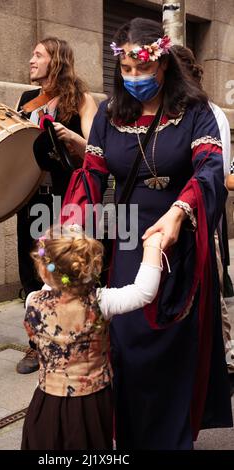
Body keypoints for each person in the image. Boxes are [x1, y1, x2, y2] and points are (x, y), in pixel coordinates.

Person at [60, 18, 233, 449]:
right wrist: (72, 226)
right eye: (127, 70)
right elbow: (92, 174)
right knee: (127, 351)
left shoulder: (194, 113)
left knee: (172, 353)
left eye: (144, 69)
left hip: (178, 242)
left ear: (163, 64)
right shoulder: (107, 115)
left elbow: (211, 169)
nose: (135, 78)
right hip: (126, 245)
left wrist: (179, 212)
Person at [21, 224, 163, 450]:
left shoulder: (33, 301)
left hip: (47, 400)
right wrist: (153, 245)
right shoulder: (101, 302)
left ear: (45, 270)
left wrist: (50, 256)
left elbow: (54, 280)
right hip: (91, 402)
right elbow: (143, 292)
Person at [15, 37, 97, 375]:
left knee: (66, 268)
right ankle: (36, 341)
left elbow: (97, 150)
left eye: (38, 55)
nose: (31, 60)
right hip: (29, 198)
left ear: (57, 60)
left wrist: (73, 139)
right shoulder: (25, 100)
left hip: (67, 200)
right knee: (31, 269)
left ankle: (72, 338)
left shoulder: (81, 99)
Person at [173, 45, 234, 396]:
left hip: (200, 220)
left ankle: (223, 356)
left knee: (209, 287)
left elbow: (219, 173)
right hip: (165, 221)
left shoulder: (211, 114)